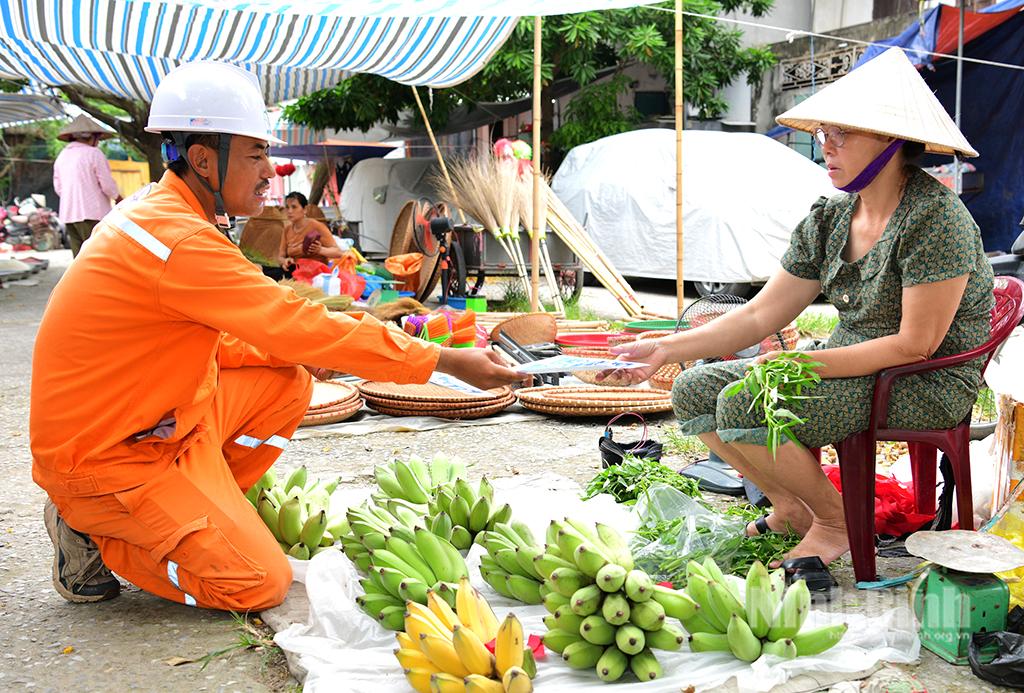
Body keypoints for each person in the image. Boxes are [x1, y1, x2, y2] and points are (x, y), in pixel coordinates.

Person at [30, 61, 525, 611]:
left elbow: (238, 336)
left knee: (285, 381)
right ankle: (99, 534)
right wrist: (443, 361)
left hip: (146, 424)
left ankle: (196, 510)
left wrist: (300, 350)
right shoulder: (177, 239)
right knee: (256, 583)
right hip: (104, 457)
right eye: (255, 154)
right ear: (201, 159)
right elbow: (294, 320)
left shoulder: (164, 212)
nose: (269, 171)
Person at [607, 47, 994, 568]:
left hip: (920, 380)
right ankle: (793, 506)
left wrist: (799, 363)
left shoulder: (936, 219)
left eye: (841, 134)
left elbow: (915, 344)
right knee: (693, 388)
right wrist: (663, 348)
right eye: (823, 134)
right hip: (852, 366)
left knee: (748, 401)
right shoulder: (830, 221)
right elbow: (759, 314)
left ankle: (837, 522)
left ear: (891, 140)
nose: (826, 147)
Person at [52, 115, 123, 256]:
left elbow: (58, 187)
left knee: (79, 257)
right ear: (93, 137)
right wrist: (119, 198)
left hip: (69, 214)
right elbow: (106, 184)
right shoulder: (94, 153)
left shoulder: (62, 156)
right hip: (92, 213)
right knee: (96, 254)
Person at [276, 191, 341, 272]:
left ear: (305, 209)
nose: (289, 211)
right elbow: (280, 257)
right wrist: (285, 261)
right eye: (287, 207)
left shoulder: (317, 226)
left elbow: (338, 252)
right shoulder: (287, 229)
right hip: (295, 269)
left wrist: (320, 250)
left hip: (315, 271)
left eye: (294, 207)